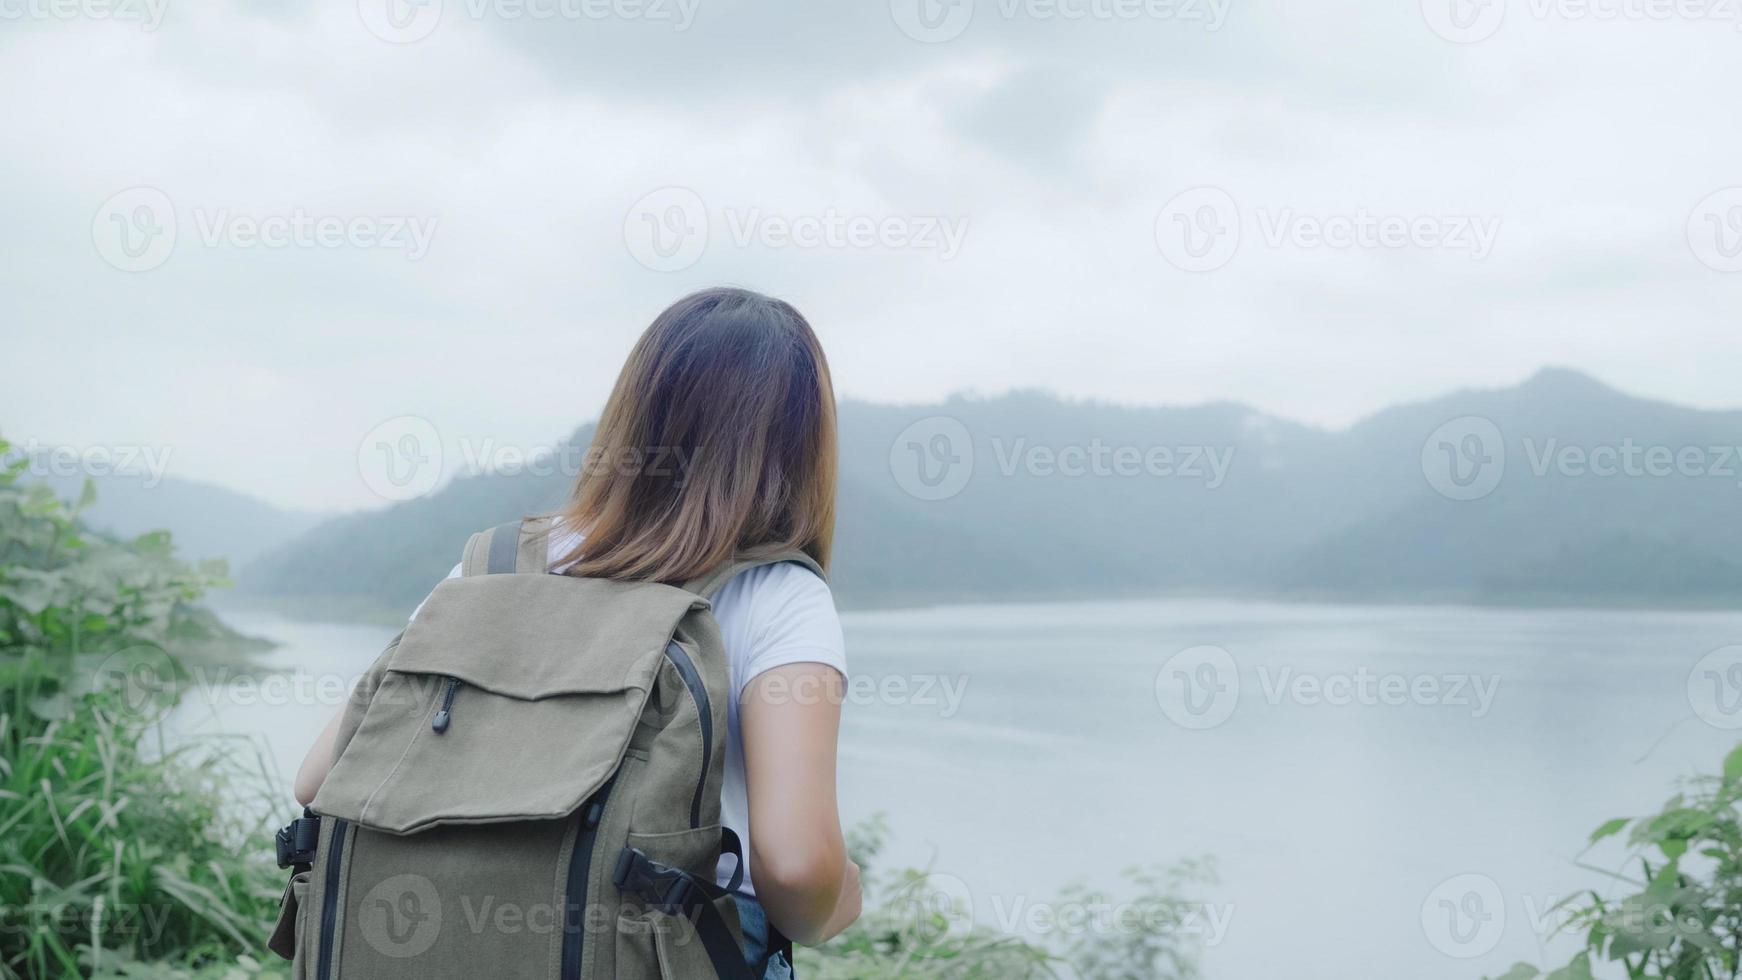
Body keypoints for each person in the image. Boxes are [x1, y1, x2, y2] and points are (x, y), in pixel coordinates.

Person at [292, 287, 861, 977]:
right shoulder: (776, 596)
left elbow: (319, 779)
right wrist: (842, 903)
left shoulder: (488, 568)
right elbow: (797, 869)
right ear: (801, 445)